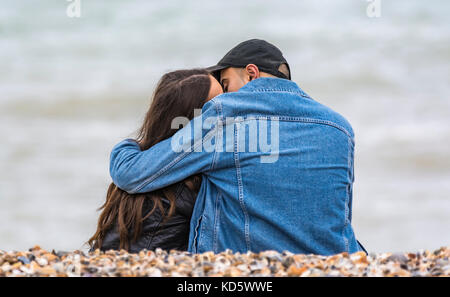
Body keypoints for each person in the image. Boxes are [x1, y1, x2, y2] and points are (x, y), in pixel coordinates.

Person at [109, 39, 366, 255]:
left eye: (226, 83)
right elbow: (340, 214)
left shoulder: (227, 115)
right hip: (336, 264)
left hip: (251, 271)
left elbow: (132, 174)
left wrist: (135, 143)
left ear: (251, 74)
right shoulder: (340, 128)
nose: (224, 94)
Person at [88, 69, 223, 253]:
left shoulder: (140, 160)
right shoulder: (190, 183)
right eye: (216, 105)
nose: (226, 108)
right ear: (191, 122)